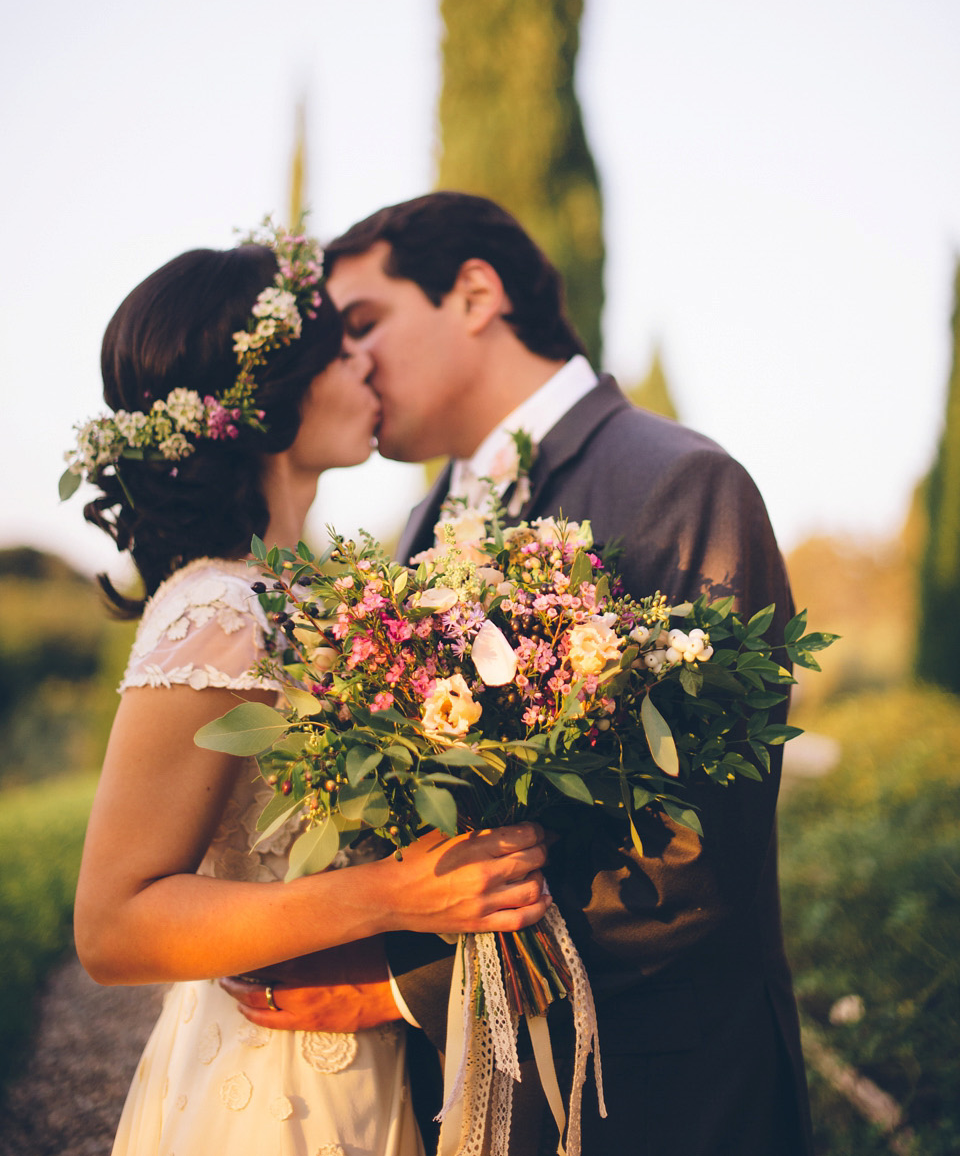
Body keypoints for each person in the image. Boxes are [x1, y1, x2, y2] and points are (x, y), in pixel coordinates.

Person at [225, 193, 814, 1156]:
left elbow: (692, 859)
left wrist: (392, 983)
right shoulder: (417, 534)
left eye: (364, 322)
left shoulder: (678, 483)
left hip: (658, 1098)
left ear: (474, 292)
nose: (349, 361)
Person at [68, 222, 550, 1156]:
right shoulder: (215, 610)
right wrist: (393, 895)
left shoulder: (308, 599)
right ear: (264, 399)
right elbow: (112, 925)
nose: (370, 364)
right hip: (268, 1088)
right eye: (341, 347)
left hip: (373, 1065)